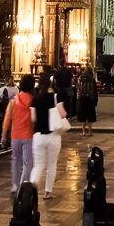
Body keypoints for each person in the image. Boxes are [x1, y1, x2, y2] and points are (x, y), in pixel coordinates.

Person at [30, 72, 67, 200]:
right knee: (52, 164)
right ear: (50, 83)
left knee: (38, 164)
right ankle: (47, 192)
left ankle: (32, 185)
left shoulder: (34, 98)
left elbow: (33, 118)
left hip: (38, 135)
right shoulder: (54, 97)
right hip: (53, 135)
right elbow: (63, 114)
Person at [0, 74, 34, 194]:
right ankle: (23, 184)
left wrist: (4, 136)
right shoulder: (32, 100)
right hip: (28, 135)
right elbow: (35, 119)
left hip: (15, 135)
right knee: (27, 162)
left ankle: (14, 185)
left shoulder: (14, 101)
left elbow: (7, 119)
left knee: (15, 160)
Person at [77, 65, 98, 136]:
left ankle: (83, 132)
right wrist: (95, 100)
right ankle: (90, 132)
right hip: (90, 99)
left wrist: (78, 98)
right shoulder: (92, 79)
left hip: (82, 99)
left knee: (83, 115)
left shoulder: (80, 78)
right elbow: (95, 91)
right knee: (90, 116)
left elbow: (78, 89)